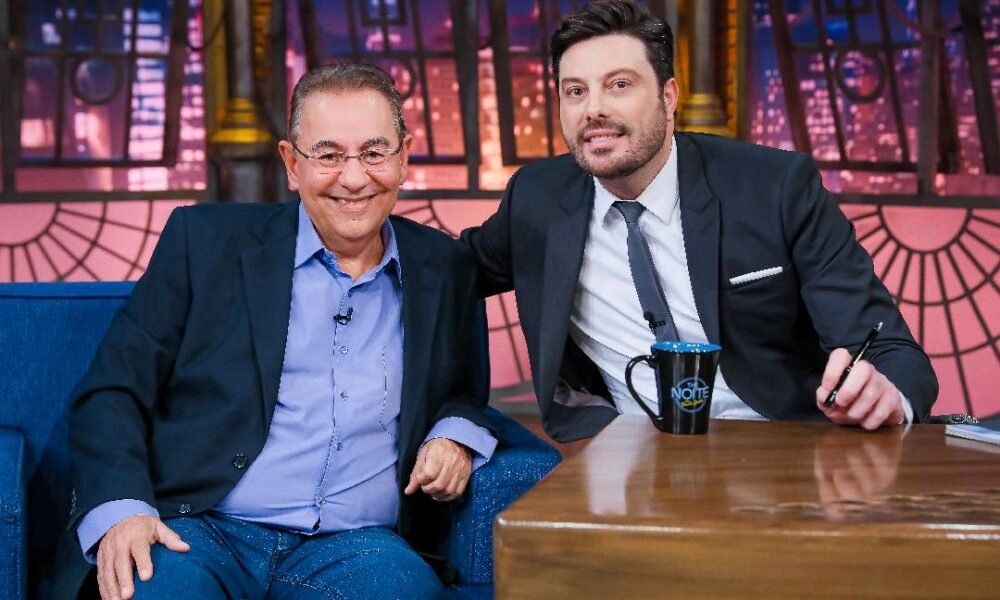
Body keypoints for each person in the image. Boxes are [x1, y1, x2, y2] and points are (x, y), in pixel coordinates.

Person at [54, 63, 496, 600]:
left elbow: (461, 390)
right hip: (199, 526)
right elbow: (113, 391)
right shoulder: (204, 243)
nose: (354, 178)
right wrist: (124, 510)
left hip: (358, 545)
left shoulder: (444, 266)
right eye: (328, 155)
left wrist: (455, 433)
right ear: (291, 163)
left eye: (374, 153)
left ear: (403, 158)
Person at [461, 0, 937, 443]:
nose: (594, 109)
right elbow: (446, 267)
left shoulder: (774, 187)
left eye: (619, 85)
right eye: (575, 91)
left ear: (668, 96)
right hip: (623, 453)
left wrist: (885, 394)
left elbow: (890, 351)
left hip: (781, 448)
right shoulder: (538, 198)